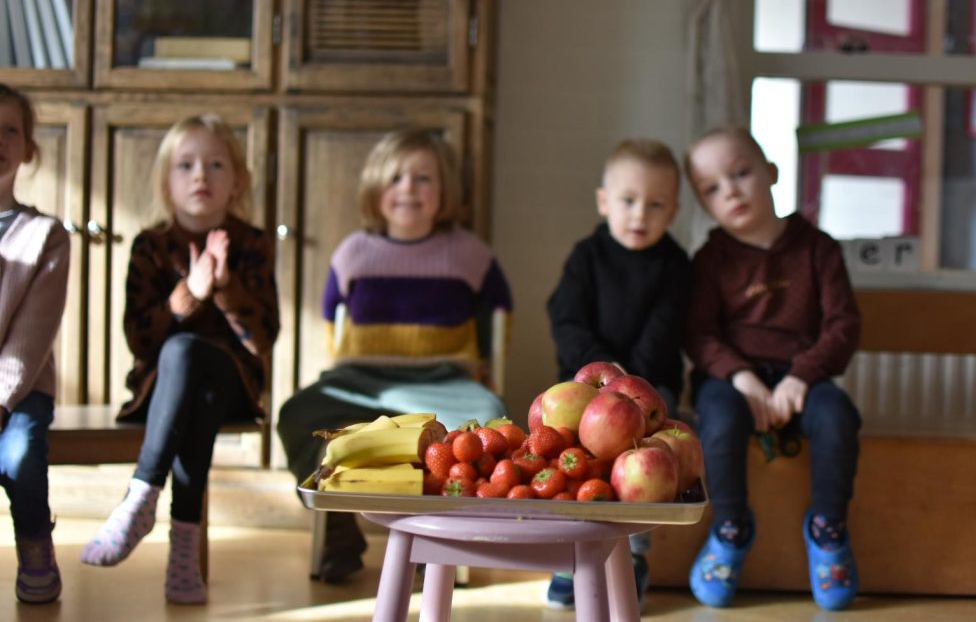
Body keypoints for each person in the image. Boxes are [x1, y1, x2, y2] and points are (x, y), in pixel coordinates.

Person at [277, 128, 513, 583]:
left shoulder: (469, 254)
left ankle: (436, 535)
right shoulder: (353, 253)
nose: (408, 188)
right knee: (296, 414)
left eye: (423, 178)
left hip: (445, 380)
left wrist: (487, 372)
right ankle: (338, 532)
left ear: (443, 191)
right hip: (359, 380)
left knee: (490, 418)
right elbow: (333, 322)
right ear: (375, 191)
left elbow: (500, 318)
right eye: (396, 178)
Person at [79, 114, 280, 605]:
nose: (201, 176)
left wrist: (224, 287)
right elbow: (138, 339)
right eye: (186, 165)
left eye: (216, 165)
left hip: (235, 386)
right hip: (162, 392)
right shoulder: (150, 246)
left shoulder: (250, 244)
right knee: (185, 362)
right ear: (166, 184)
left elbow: (262, 340)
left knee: (199, 361)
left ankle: (142, 496)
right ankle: (183, 553)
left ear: (237, 183)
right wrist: (189, 292)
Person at [683, 126, 861, 611]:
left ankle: (828, 532)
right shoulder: (710, 260)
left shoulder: (818, 249)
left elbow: (843, 326)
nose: (732, 191)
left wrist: (801, 376)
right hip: (731, 380)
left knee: (838, 417)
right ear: (703, 204)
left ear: (773, 172)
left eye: (741, 173)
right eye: (713, 188)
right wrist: (741, 376)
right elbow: (699, 335)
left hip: (805, 377)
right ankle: (731, 529)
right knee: (716, 423)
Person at [545, 138, 692, 610]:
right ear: (604, 201)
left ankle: (634, 557)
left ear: (673, 211)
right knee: (568, 460)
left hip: (650, 387)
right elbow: (565, 318)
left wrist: (630, 383)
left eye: (655, 204)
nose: (639, 214)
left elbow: (665, 330)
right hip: (584, 387)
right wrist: (602, 373)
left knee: (645, 468)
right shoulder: (586, 257)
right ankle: (568, 557)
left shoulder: (675, 265)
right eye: (628, 201)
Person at [0, 84, 71, 605]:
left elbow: (31, 338)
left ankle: (34, 541)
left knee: (21, 454)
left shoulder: (45, 235)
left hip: (18, 391)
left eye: (10, 130)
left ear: (28, 148)